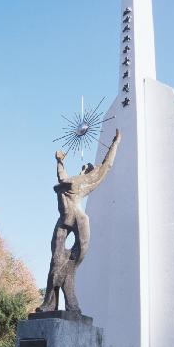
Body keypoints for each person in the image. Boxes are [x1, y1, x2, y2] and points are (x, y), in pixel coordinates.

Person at [36, 129, 121, 312]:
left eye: (92, 167)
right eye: (89, 167)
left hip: (79, 222)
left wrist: (115, 143)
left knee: (71, 264)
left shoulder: (86, 183)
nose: (91, 167)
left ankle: (69, 305)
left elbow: (106, 166)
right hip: (62, 222)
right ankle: (51, 304)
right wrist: (59, 161)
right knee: (56, 262)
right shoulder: (73, 179)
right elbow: (61, 176)